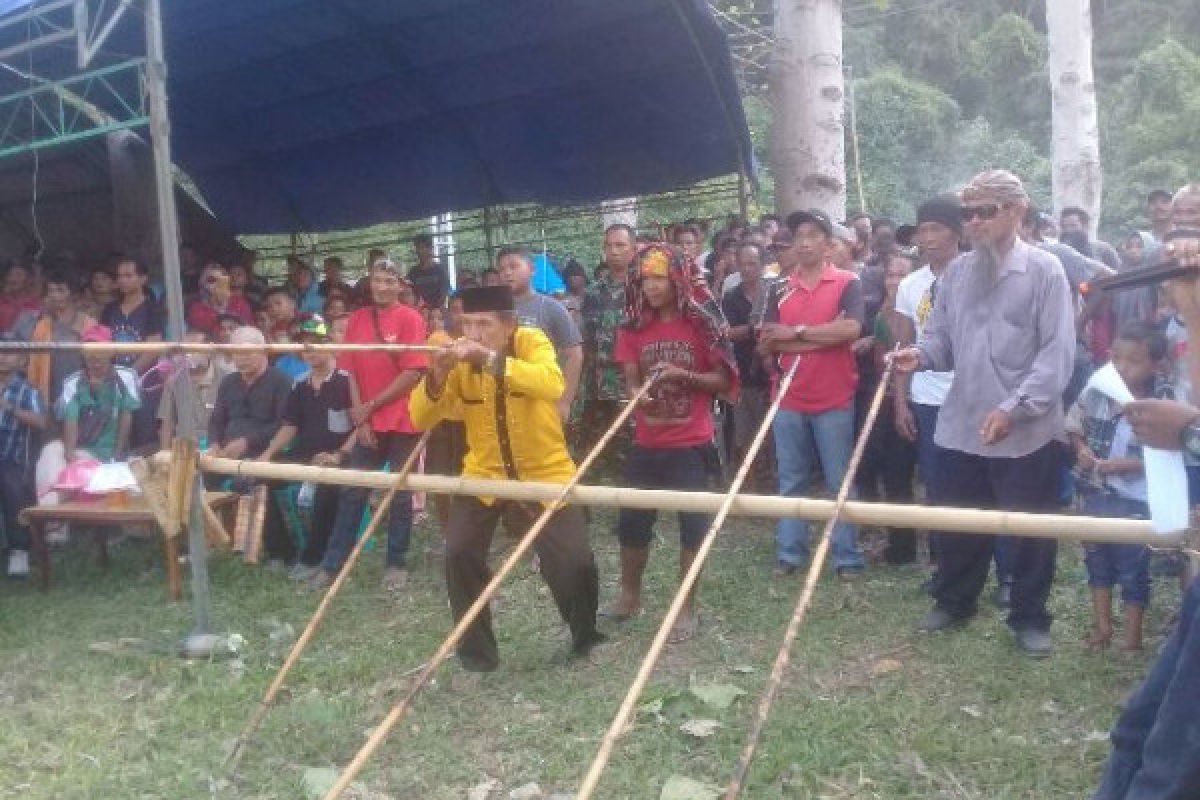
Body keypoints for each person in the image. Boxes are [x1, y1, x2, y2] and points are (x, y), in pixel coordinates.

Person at [891, 169, 1076, 657]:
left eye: (984, 212)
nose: (972, 223)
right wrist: (920, 356)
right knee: (958, 519)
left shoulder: (1046, 270)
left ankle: (1030, 618)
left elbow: (1057, 356)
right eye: (967, 213)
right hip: (962, 420)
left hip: (1026, 429)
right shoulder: (956, 273)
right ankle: (955, 601)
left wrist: (1014, 409)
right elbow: (943, 340)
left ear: (1016, 211)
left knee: (1031, 528)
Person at [409, 285, 604, 672]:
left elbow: (551, 384)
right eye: (467, 324)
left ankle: (585, 635)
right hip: (484, 475)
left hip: (544, 472)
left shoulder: (531, 342)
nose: (474, 334)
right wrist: (436, 377)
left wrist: (492, 360)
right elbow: (420, 418)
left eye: (484, 325)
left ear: (509, 324)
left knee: (575, 563)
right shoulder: (455, 354)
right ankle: (477, 658)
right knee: (459, 553)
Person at [606, 244, 737, 642]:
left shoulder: (702, 326)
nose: (651, 286)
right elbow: (630, 378)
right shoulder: (633, 328)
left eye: (659, 278)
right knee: (632, 524)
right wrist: (636, 394)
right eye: (645, 279)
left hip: (691, 442)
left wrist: (683, 374)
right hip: (647, 441)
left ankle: (686, 607)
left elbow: (723, 381)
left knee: (692, 527)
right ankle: (630, 596)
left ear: (677, 278)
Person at [759, 209, 866, 579]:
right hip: (788, 396)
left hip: (834, 397)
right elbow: (770, 340)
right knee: (791, 479)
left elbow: (851, 329)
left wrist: (798, 334)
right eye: (797, 235)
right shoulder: (778, 287)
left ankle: (846, 556)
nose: (804, 241)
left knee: (840, 479)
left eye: (813, 234)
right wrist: (823, 333)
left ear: (827, 242)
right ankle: (790, 553)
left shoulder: (848, 282)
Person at [313, 258, 427, 591]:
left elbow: (413, 372)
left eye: (390, 280)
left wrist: (371, 406)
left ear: (400, 284)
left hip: (404, 416)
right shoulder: (358, 319)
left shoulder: (411, 318)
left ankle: (396, 561)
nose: (383, 286)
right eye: (378, 280)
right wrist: (360, 415)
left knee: (401, 492)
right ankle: (333, 563)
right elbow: (349, 369)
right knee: (354, 490)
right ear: (370, 282)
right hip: (368, 420)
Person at [1068, 322, 1168, 653]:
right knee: (1097, 560)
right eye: (1117, 359)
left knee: (1133, 567)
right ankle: (1102, 627)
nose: (1123, 367)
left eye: (1134, 361)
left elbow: (1171, 453)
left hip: (1137, 501)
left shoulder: (1165, 402)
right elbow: (1074, 424)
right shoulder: (1097, 390)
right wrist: (1081, 449)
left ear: (1156, 365)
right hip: (1096, 492)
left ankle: (1132, 640)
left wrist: (1125, 466)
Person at [258, 317, 359, 579]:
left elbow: (361, 426)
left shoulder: (347, 380)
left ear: (329, 345)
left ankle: (315, 556)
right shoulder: (300, 383)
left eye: (316, 343)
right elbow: (290, 425)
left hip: (340, 457)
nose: (310, 350)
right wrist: (267, 455)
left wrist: (339, 455)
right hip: (305, 455)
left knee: (326, 484)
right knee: (262, 476)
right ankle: (282, 551)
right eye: (305, 345)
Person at [35, 325, 141, 529]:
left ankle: (52, 515)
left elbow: (127, 418)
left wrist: (117, 455)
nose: (95, 358)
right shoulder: (73, 382)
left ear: (111, 351)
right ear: (83, 354)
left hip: (107, 453)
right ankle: (52, 514)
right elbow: (70, 421)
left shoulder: (126, 377)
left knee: (77, 467)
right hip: (78, 449)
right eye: (90, 353)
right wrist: (69, 455)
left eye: (100, 351)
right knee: (50, 452)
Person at [856, 253, 918, 564]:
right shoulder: (881, 317)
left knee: (923, 476)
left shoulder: (923, 314)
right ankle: (900, 546)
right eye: (891, 275)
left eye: (902, 275)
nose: (895, 282)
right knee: (893, 475)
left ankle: (937, 550)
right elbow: (882, 364)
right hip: (889, 399)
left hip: (919, 400)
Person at [497, 246, 584, 422]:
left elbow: (574, 356)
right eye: (502, 269)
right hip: (503, 403)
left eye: (513, 266)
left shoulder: (552, 308)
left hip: (542, 401)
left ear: (532, 269)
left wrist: (565, 401)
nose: (507, 273)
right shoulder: (494, 312)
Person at [581, 224, 637, 463]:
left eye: (620, 245)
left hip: (631, 383)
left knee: (634, 451)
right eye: (609, 246)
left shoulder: (645, 288)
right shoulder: (593, 292)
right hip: (597, 386)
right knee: (601, 452)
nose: (613, 251)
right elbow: (586, 340)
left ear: (633, 249)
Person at [722, 241, 774, 490]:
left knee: (770, 434)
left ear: (763, 265)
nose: (747, 268)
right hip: (742, 374)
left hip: (771, 375)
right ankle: (746, 485)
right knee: (743, 434)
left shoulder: (774, 292)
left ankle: (768, 485)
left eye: (752, 263)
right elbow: (727, 333)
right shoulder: (731, 297)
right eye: (743, 263)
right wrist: (755, 329)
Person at [101, 257, 165, 449]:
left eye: (129, 276)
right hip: (111, 379)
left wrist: (129, 374)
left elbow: (153, 346)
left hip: (144, 381)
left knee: (142, 434)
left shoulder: (153, 309)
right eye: (120, 276)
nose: (122, 280)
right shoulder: (110, 309)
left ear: (143, 279)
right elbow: (102, 341)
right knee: (112, 434)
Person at [0, 335, 47, 576]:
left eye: (10, 352)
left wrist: (12, 409)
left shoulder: (28, 391)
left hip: (14, 460)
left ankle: (19, 551)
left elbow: (40, 422)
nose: (4, 357)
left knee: (10, 485)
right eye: (1, 351)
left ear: (21, 360)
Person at [15, 271, 95, 408]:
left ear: (74, 294)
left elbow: (95, 364)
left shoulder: (88, 324)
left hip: (80, 398)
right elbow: (23, 357)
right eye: (51, 290)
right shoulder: (39, 323)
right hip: (44, 398)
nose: (54, 295)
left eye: (60, 290)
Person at [157, 329, 227, 451]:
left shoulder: (226, 379)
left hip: (218, 452)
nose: (189, 355)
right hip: (183, 452)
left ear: (209, 352)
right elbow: (167, 422)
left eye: (194, 349)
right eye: (186, 351)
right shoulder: (173, 380)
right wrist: (165, 453)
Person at [187, 264, 253, 337]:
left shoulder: (240, 303)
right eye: (211, 280)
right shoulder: (196, 308)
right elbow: (204, 327)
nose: (217, 284)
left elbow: (247, 329)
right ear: (203, 284)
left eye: (221, 280)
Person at [409, 233, 451, 309]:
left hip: (437, 313)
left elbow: (444, 294)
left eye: (421, 247)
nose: (418, 251)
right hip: (419, 311)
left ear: (430, 249)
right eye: (417, 248)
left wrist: (432, 308)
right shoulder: (413, 272)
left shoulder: (440, 270)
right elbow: (410, 292)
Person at [0, 262, 42, 335]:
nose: (12, 279)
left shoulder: (35, 307)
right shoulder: (2, 301)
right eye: (10, 275)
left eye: (18, 275)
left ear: (29, 280)